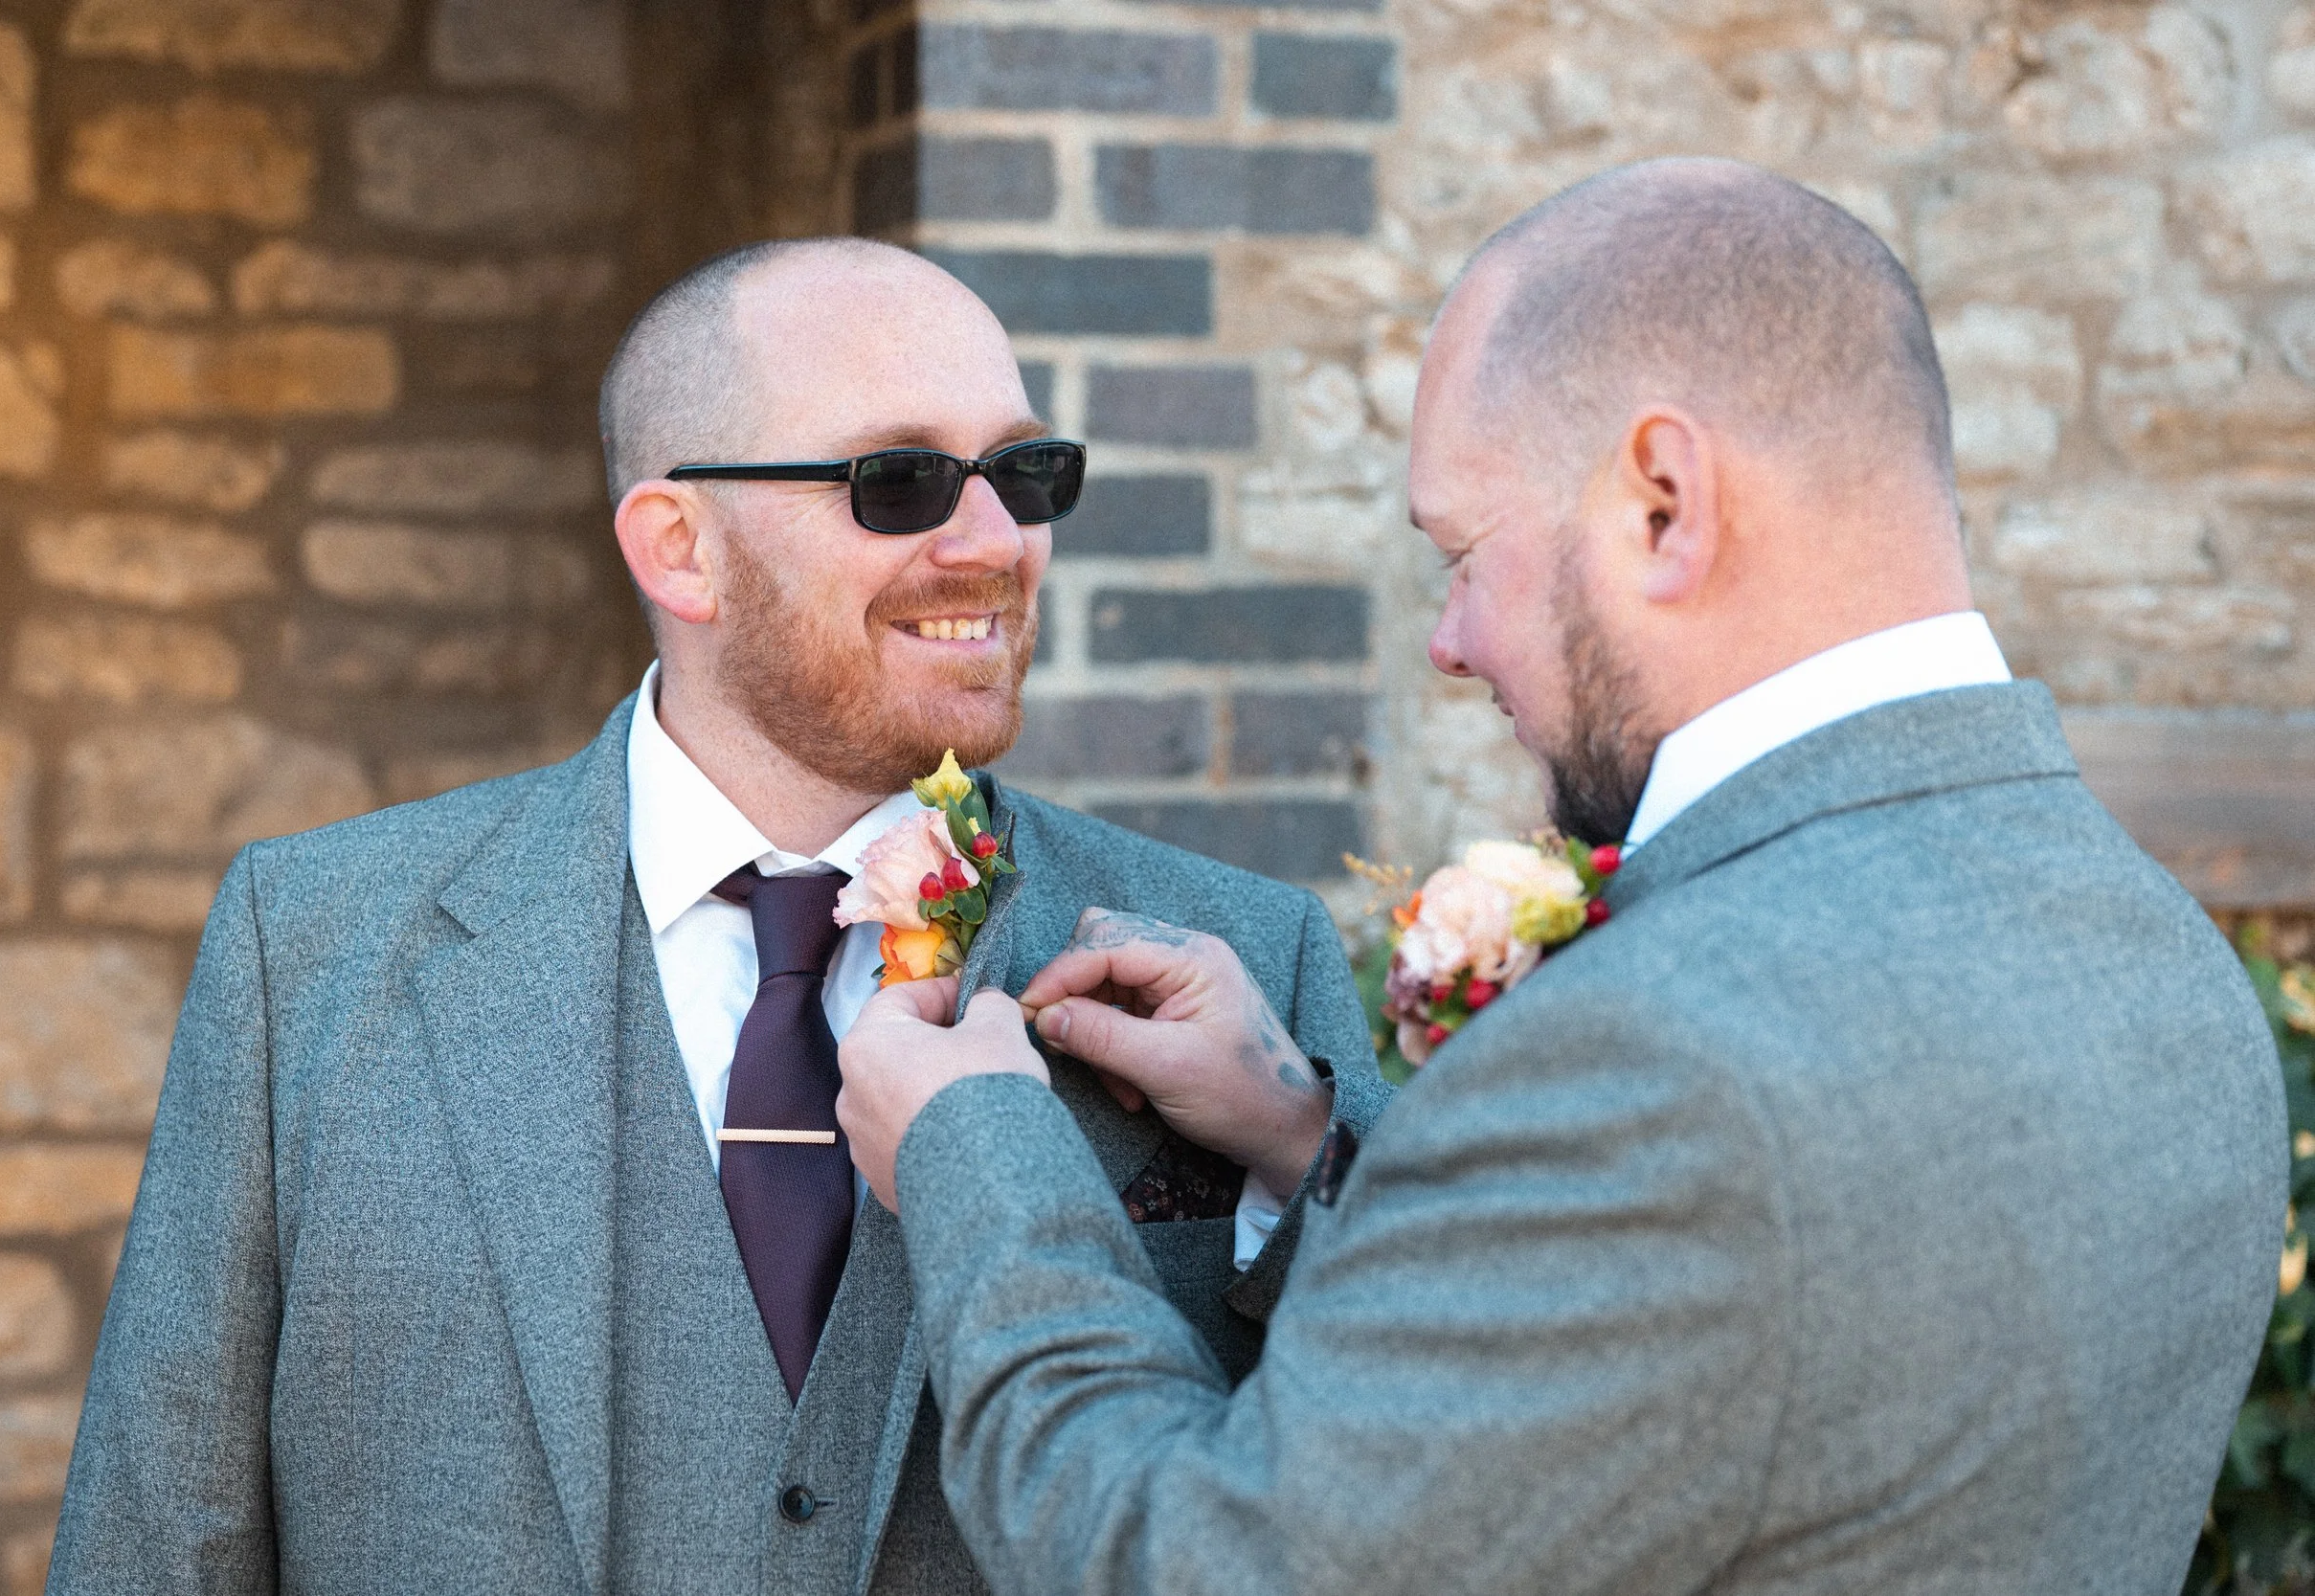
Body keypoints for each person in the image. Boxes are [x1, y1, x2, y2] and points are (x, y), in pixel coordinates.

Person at [835, 158, 2289, 1595]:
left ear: (1664, 501)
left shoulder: (1657, 1056)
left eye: (1465, 555)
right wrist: (1299, 1139)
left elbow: (1183, 1562)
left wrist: (981, 1150)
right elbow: (1679, 1348)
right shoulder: (2158, 949)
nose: (1449, 644)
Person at [47, 237, 1385, 1596]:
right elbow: (160, 1538)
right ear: (680, 548)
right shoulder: (313, 948)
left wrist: (1296, 1160)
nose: (997, 542)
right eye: (900, 480)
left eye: (1024, 472)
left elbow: (1405, 1489)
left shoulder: (1241, 961)